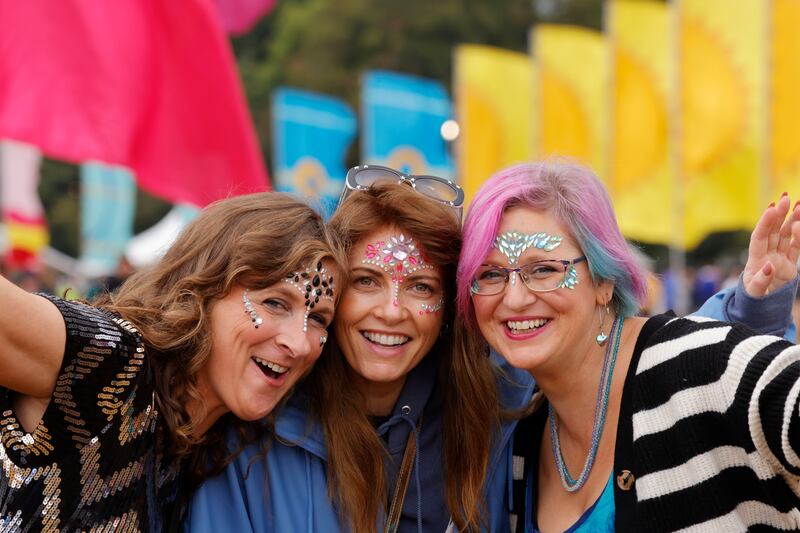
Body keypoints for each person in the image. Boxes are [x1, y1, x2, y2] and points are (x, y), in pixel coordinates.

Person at [188, 165, 795, 533]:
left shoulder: (494, 404)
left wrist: (750, 309)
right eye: (367, 282)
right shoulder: (258, 425)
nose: (391, 311)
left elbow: (644, 364)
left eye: (421, 287)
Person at [456, 162, 800, 532]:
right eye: (490, 274)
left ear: (604, 280)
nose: (515, 298)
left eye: (543, 269)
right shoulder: (521, 433)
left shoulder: (699, 363)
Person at [0, 192, 343, 531]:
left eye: (318, 320)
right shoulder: (115, 364)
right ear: (204, 289)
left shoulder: (220, 444)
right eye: (274, 303)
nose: (299, 344)